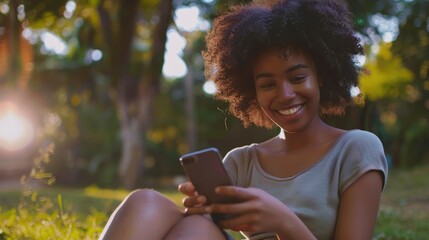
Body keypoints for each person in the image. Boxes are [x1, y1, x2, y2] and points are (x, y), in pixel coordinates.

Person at [99, 0, 388, 239]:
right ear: (252, 91)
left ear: (321, 76)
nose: (285, 94)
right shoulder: (241, 162)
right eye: (267, 84)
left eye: (297, 77)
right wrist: (199, 209)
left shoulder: (355, 149)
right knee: (146, 202)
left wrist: (282, 221)